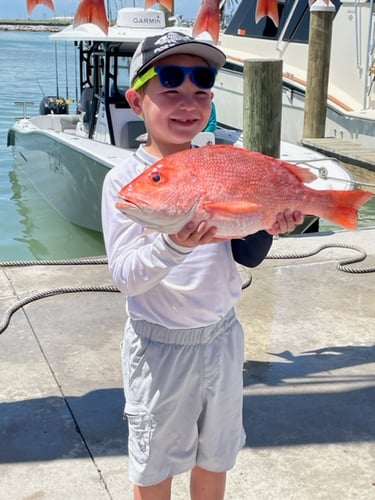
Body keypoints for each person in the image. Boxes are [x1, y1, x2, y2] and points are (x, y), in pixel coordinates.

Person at [101, 31, 303, 500]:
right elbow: (126, 277)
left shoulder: (219, 163)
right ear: (136, 100)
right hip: (160, 350)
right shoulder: (125, 184)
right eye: (170, 88)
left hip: (222, 338)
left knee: (216, 457)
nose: (187, 102)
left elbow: (245, 253)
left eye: (202, 89)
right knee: (155, 467)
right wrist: (174, 245)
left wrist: (270, 221)